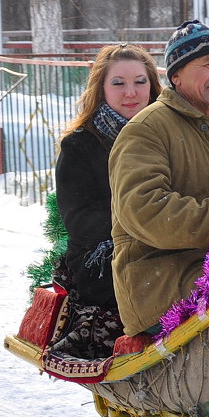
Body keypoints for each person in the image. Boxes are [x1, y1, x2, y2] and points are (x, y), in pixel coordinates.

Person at [109, 21, 209, 338]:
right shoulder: (147, 129)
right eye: (208, 65)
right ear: (176, 75)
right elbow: (144, 211)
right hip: (160, 283)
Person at [49, 44, 162, 359]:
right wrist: (147, 222)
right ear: (101, 88)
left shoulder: (169, 137)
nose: (131, 92)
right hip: (101, 258)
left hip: (167, 245)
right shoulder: (80, 146)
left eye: (140, 82)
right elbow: (81, 221)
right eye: (118, 83)